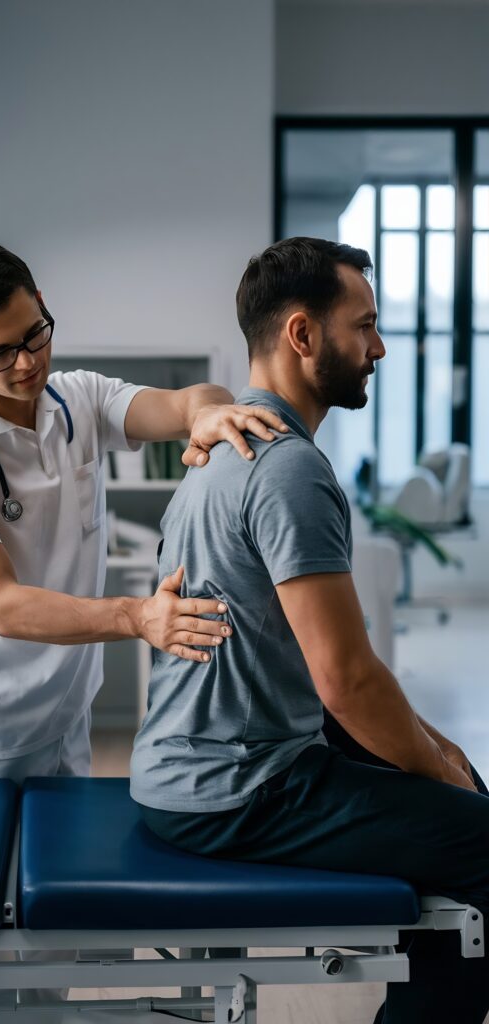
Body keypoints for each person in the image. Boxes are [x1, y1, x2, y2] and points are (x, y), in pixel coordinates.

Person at [131, 236, 489, 1024]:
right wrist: (440, 770)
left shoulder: (217, 451)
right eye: (363, 326)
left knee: (457, 800)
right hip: (238, 787)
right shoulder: (287, 466)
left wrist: (439, 750)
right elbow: (346, 680)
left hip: (192, 767)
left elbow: (321, 673)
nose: (380, 347)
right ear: (302, 334)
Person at [0, 240, 288, 783]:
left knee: (60, 862)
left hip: (67, 707)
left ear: (40, 304)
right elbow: (2, 606)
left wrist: (208, 414)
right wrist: (137, 617)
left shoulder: (79, 397)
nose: (27, 362)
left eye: (35, 334)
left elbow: (189, 399)